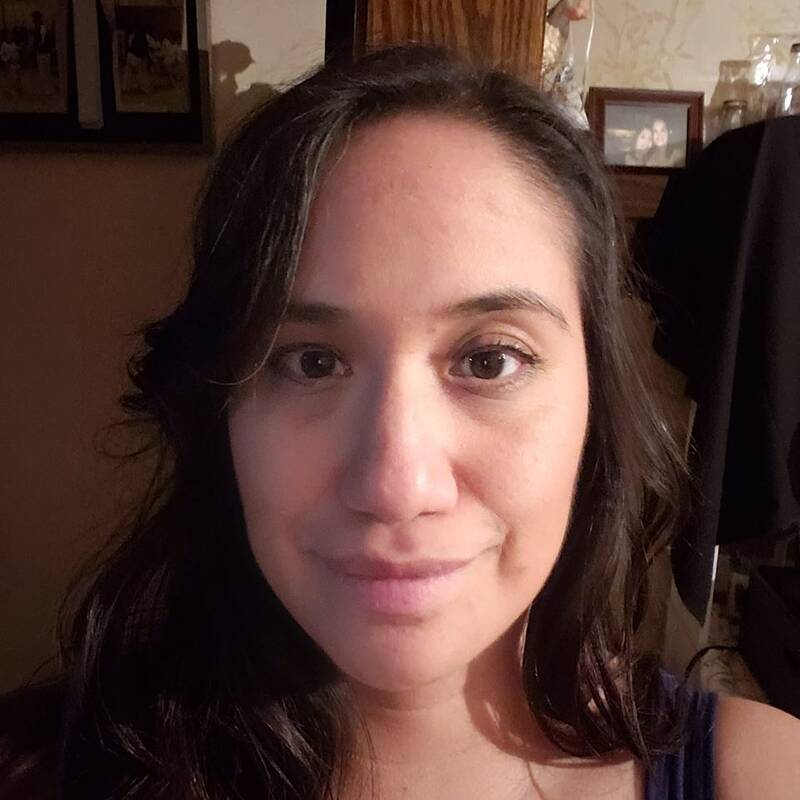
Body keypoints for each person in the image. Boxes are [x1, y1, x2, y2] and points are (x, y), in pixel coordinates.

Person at [1, 45, 799, 799]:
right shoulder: (36, 776)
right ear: (220, 413)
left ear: (597, 403)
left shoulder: (762, 775)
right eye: (312, 361)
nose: (397, 485)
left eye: (490, 360)